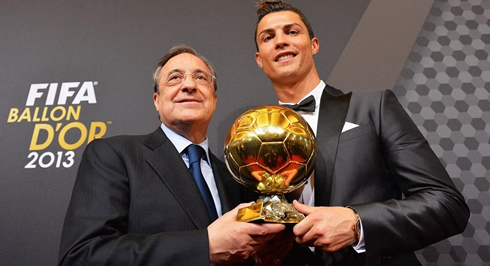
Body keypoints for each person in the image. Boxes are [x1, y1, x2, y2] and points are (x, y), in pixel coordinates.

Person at [252, 1, 470, 265]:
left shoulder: (373, 107)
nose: (280, 41)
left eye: (292, 32)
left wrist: (357, 223)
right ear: (259, 60)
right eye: (268, 37)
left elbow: (447, 205)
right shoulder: (252, 139)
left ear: (314, 45)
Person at [58, 45, 289, 265]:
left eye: (201, 78)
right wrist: (204, 247)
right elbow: (82, 255)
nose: (189, 85)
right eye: (175, 78)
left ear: (214, 100)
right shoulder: (115, 156)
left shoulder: (236, 177)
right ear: (157, 101)